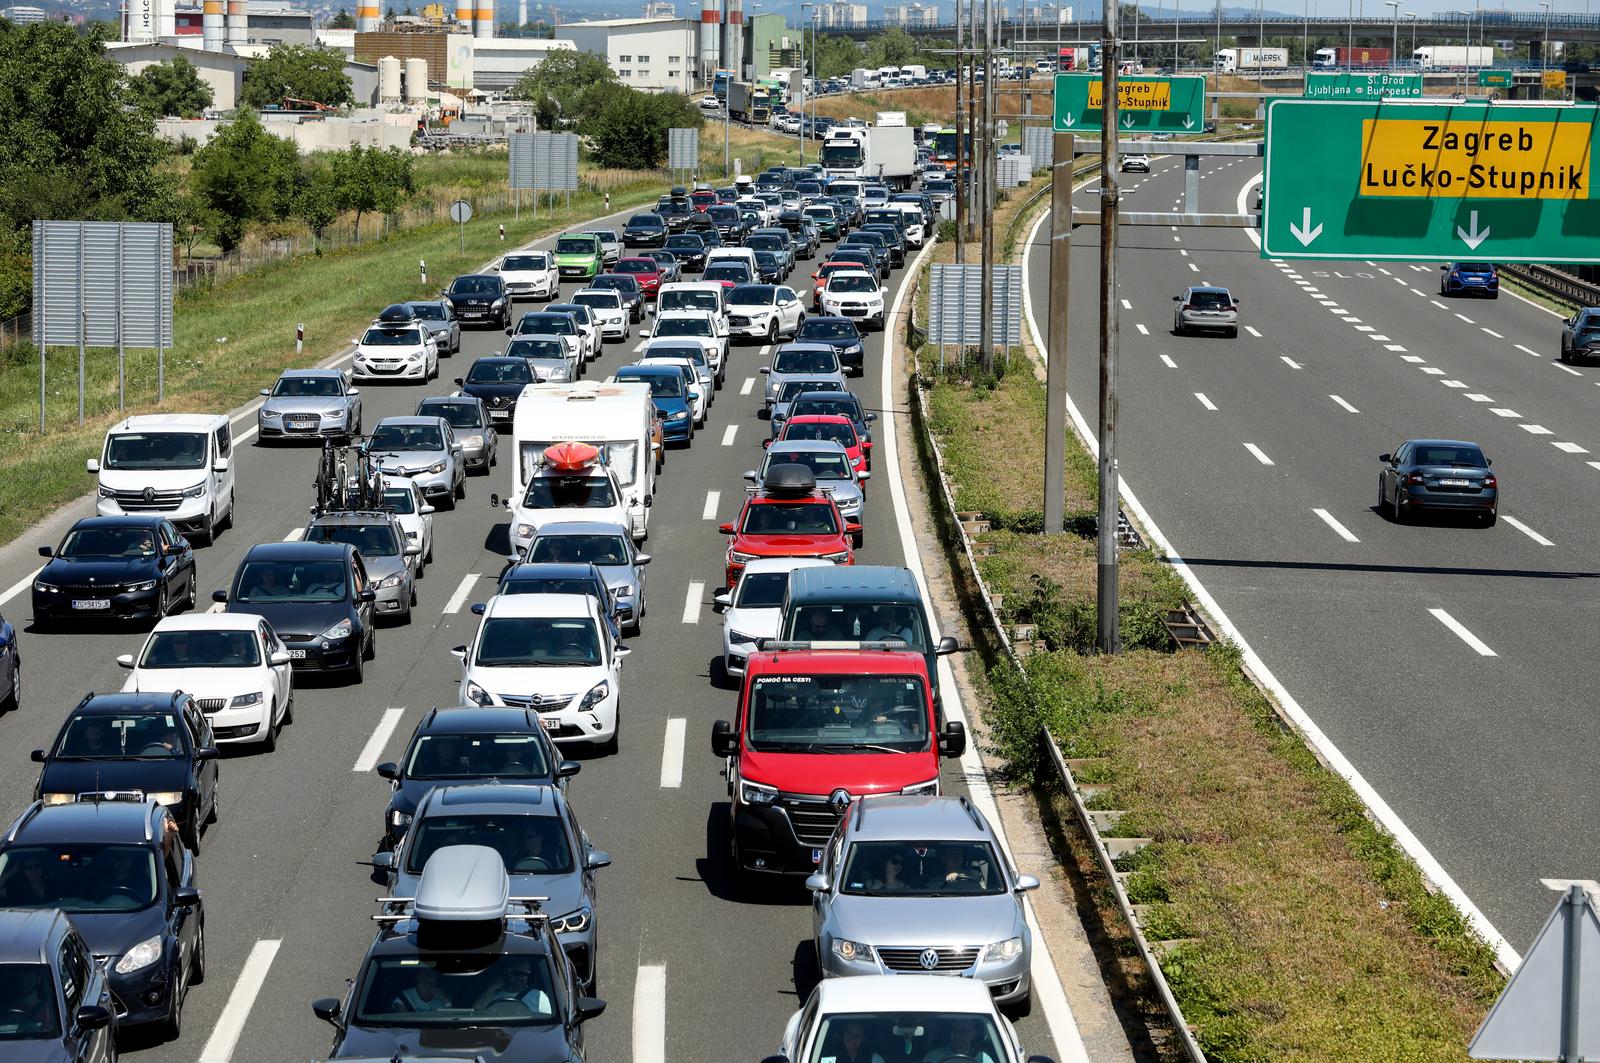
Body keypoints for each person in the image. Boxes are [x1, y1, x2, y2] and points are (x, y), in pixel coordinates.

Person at [476, 959, 552, 1015]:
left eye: (524, 974)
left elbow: (549, 1021)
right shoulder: (491, 995)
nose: (520, 977)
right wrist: (492, 986)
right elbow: (476, 1013)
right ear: (505, 972)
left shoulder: (539, 996)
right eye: (516, 973)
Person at [920, 1018, 999, 1063]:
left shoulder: (982, 1058)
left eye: (963, 1032)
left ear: (974, 1034)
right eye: (955, 1030)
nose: (957, 1035)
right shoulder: (933, 1056)